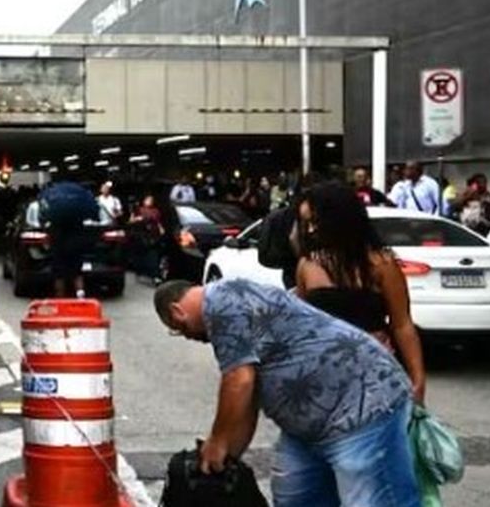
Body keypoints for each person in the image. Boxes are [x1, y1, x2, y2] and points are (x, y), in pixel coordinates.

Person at [153, 279, 419, 507]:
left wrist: (218, 442)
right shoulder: (227, 306)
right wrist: (226, 458)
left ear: (177, 312)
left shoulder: (221, 307)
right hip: (310, 429)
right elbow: (247, 399)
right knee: (296, 498)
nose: (187, 336)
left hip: (362, 407)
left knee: (375, 499)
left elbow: (238, 380)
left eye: (180, 330)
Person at [294, 182, 426, 405]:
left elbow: (402, 324)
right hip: (321, 376)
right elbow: (300, 327)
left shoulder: (381, 264)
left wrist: (418, 378)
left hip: (374, 374)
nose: (310, 230)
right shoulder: (307, 265)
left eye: (315, 222)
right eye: (305, 223)